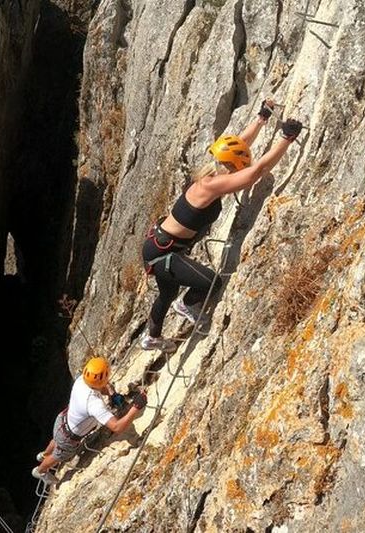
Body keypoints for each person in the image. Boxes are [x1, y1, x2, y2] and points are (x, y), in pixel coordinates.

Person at [140, 101, 303, 351]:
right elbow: (256, 171)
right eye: (235, 167)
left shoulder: (211, 175)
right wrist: (286, 138)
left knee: (166, 293)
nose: (239, 168)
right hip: (164, 253)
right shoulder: (210, 186)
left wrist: (261, 118)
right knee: (211, 283)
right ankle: (188, 306)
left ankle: (152, 337)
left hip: (158, 247)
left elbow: (236, 146)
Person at [32, 357, 146, 485]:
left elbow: (101, 385)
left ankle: (43, 455)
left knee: (56, 439)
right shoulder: (93, 404)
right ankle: (40, 471)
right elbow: (117, 427)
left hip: (62, 421)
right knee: (59, 456)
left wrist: (112, 394)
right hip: (69, 437)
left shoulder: (82, 380)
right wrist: (136, 407)